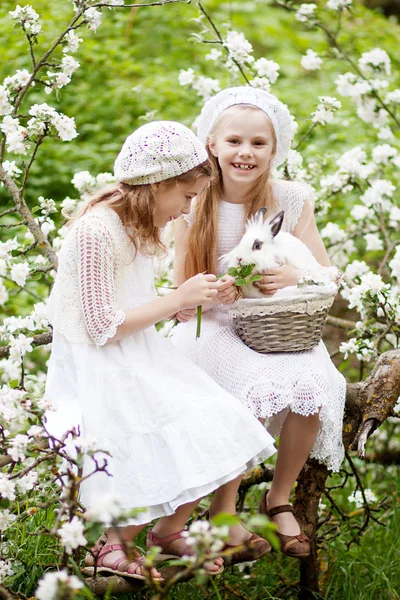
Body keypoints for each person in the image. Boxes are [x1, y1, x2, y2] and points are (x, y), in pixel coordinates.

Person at [44, 121, 276, 580]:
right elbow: (100, 327)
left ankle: (168, 531)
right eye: (187, 197)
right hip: (98, 363)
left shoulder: (143, 225)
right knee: (142, 428)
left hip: (136, 348)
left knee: (219, 417)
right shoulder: (97, 230)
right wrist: (176, 299)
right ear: (159, 185)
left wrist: (193, 302)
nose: (189, 208)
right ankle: (114, 545)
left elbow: (139, 308)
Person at [171, 87, 346, 559]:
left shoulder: (291, 197)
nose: (245, 153)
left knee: (316, 384)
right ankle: (223, 512)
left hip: (276, 323)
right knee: (253, 387)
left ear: (274, 149)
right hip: (216, 323)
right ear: (212, 145)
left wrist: (293, 274)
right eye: (233, 142)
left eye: (258, 143)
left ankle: (279, 495)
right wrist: (210, 292)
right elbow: (182, 288)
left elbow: (326, 273)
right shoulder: (194, 198)